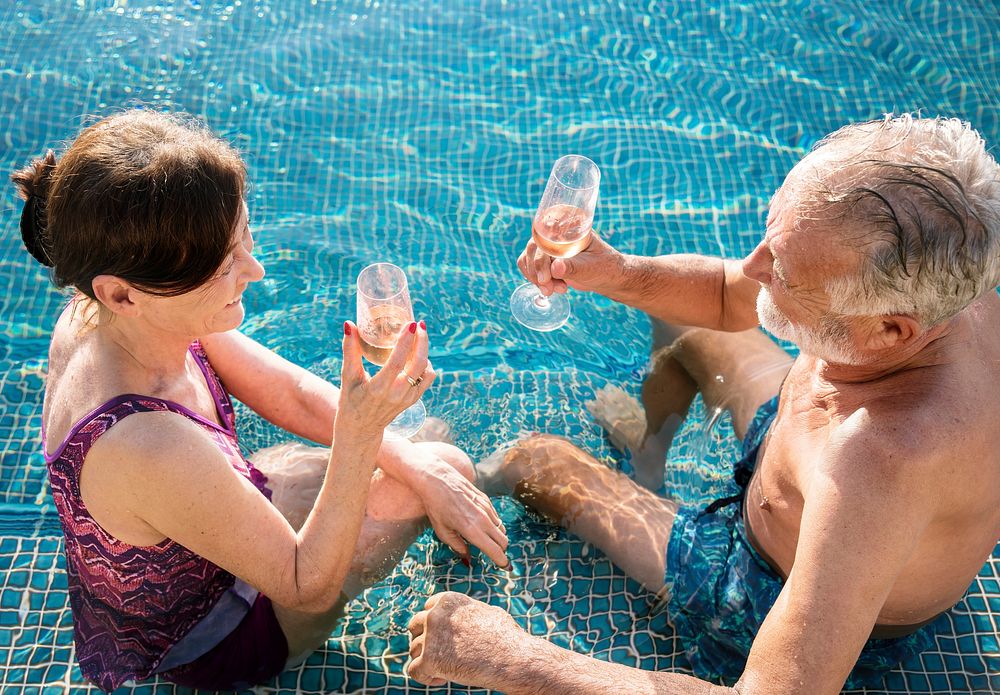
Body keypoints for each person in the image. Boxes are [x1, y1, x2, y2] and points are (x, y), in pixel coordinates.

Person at [406, 115, 1000, 693]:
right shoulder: (944, 293)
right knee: (684, 320)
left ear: (889, 331)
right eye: (772, 234)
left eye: (785, 275)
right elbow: (722, 293)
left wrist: (507, 658)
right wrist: (613, 272)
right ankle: (646, 460)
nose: (751, 266)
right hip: (798, 456)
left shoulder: (878, 465)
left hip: (772, 587)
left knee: (535, 462)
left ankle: (452, 478)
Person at [14, 109, 510, 693]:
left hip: (193, 537)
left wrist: (403, 457)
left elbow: (291, 393)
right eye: (223, 267)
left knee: (428, 458)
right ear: (121, 293)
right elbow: (305, 584)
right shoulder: (143, 444)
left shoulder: (113, 314)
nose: (255, 269)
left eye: (243, 238)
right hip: (216, 639)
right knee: (445, 462)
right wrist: (362, 435)